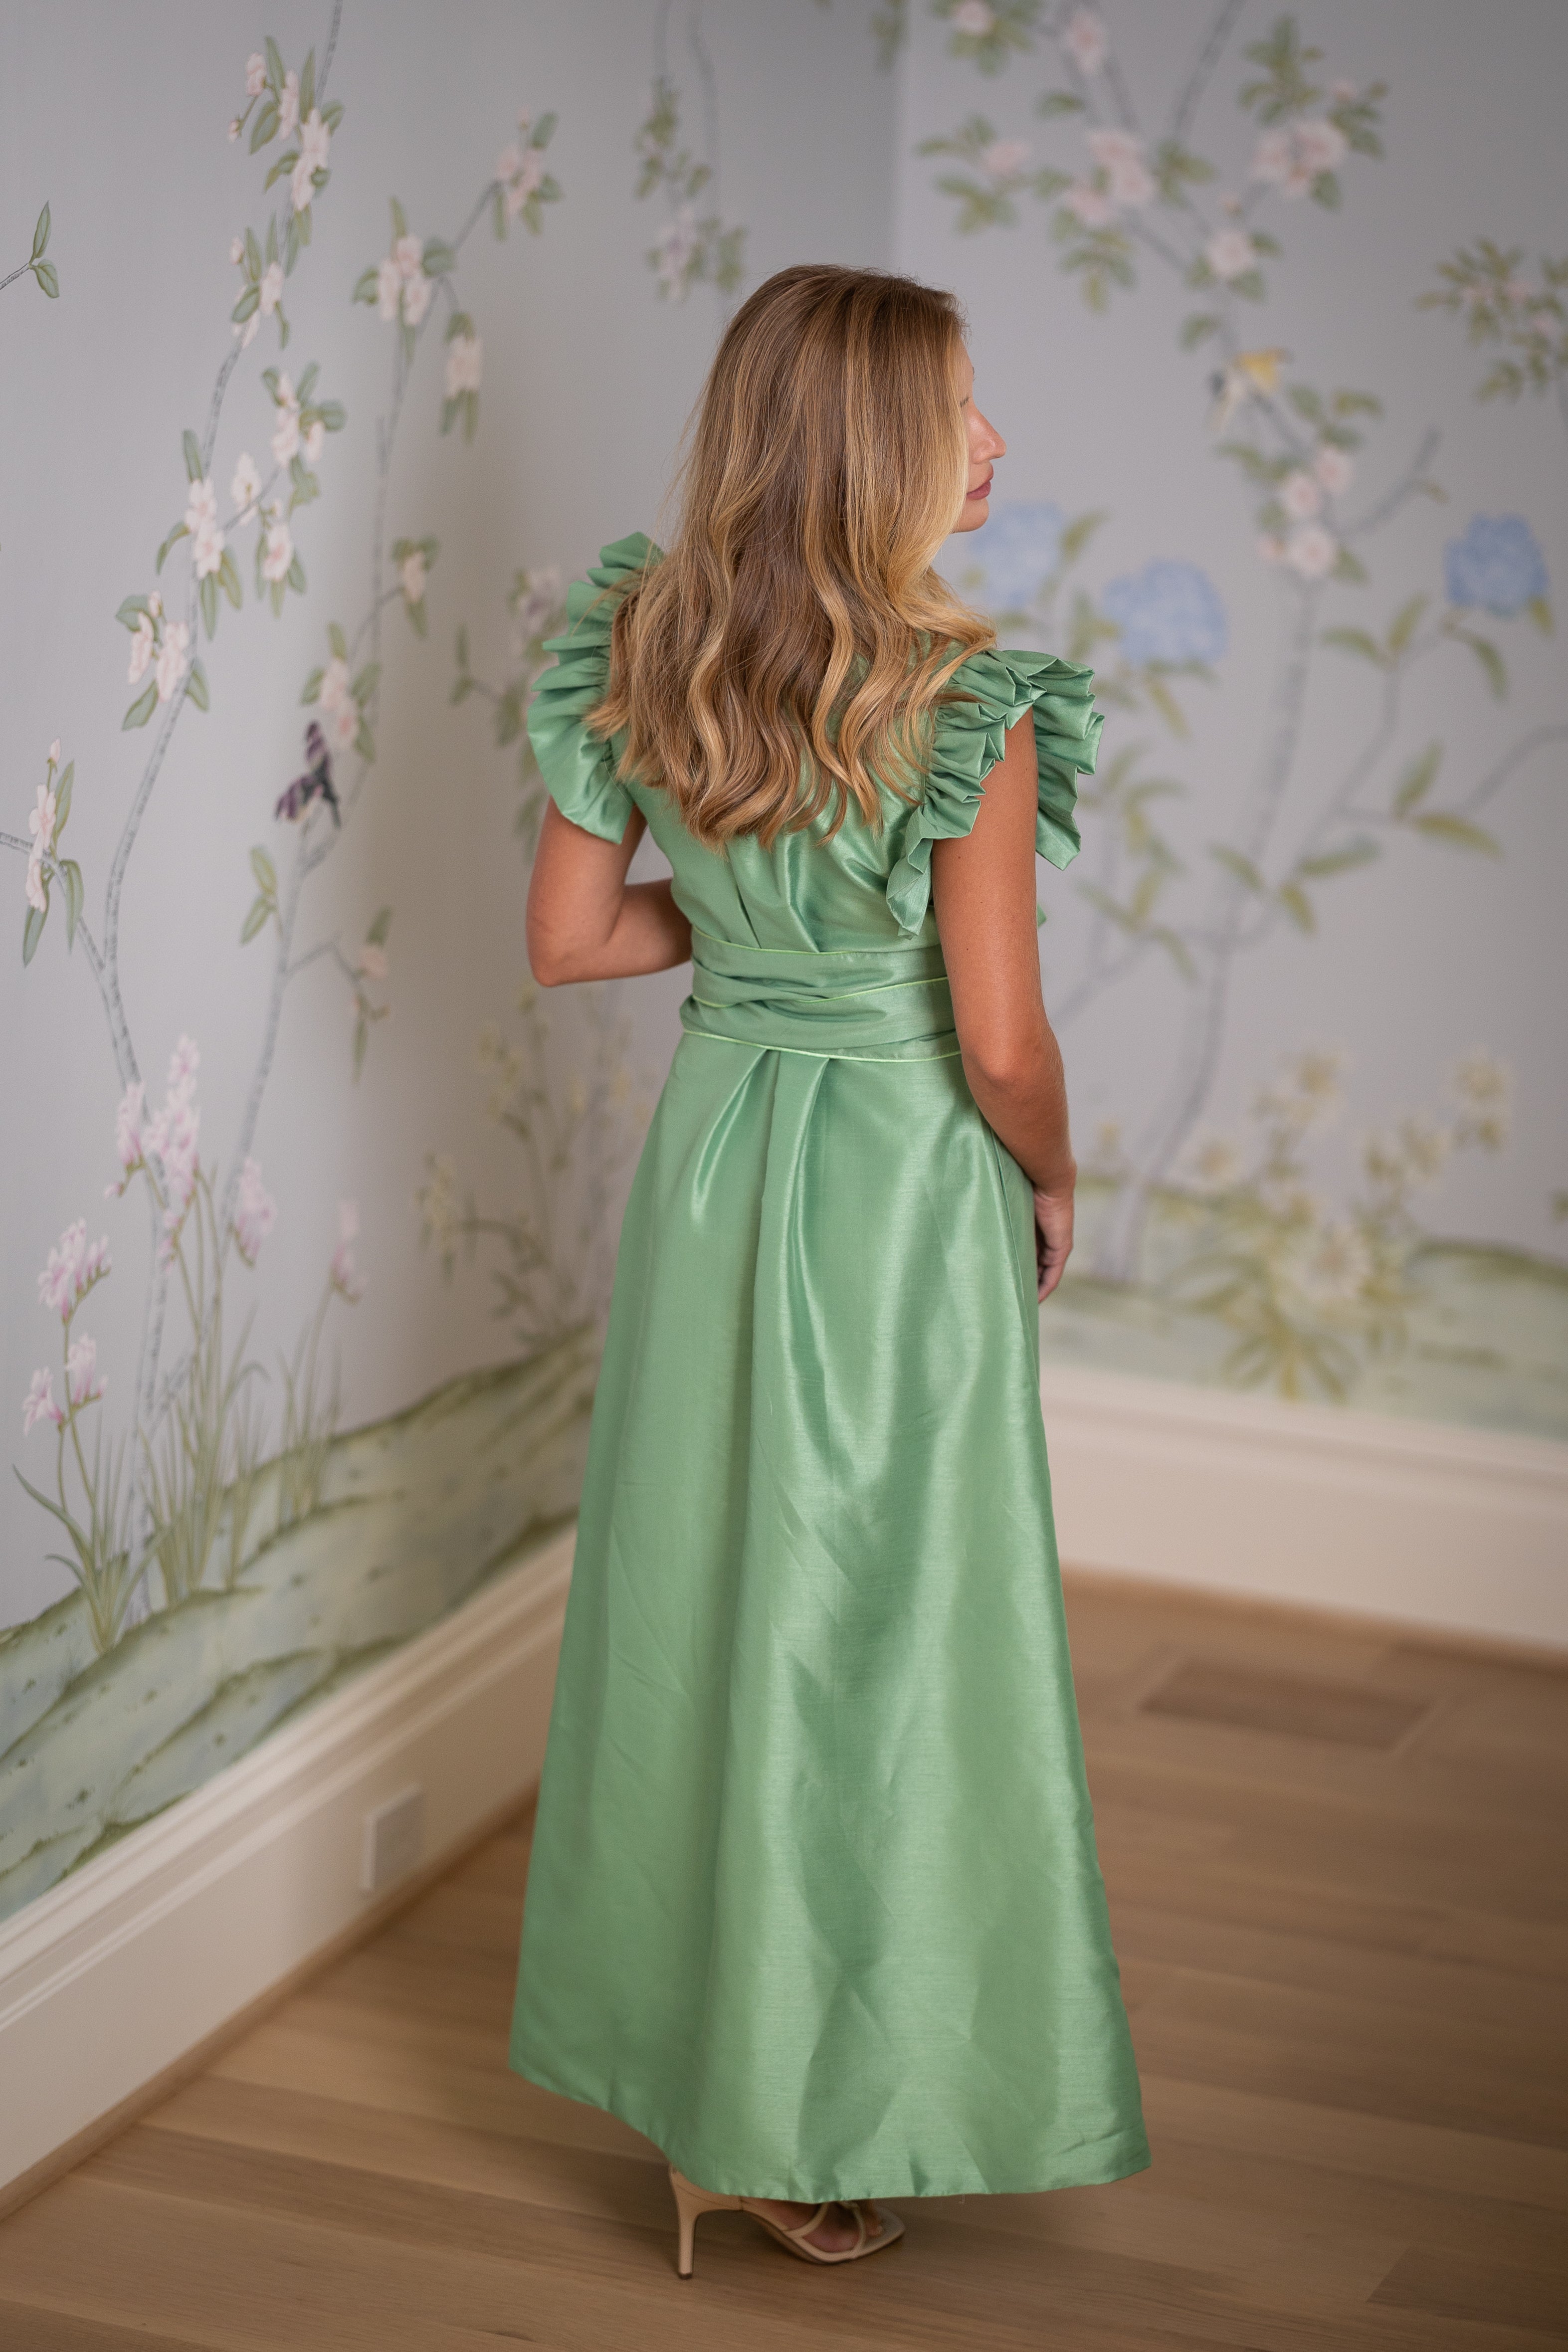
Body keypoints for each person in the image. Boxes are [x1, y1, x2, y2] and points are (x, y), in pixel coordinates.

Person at [508, 263, 1149, 2277]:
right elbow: (1004, 1042)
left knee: (711, 1602)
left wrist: (752, 939)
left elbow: (571, 940)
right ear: (877, 449)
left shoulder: (647, 640)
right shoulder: (965, 707)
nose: (994, 440)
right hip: (896, 1179)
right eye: (961, 408)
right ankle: (814, 2090)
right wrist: (1058, 1174)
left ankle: (711, 2088)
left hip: (720, 1162)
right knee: (886, 1626)